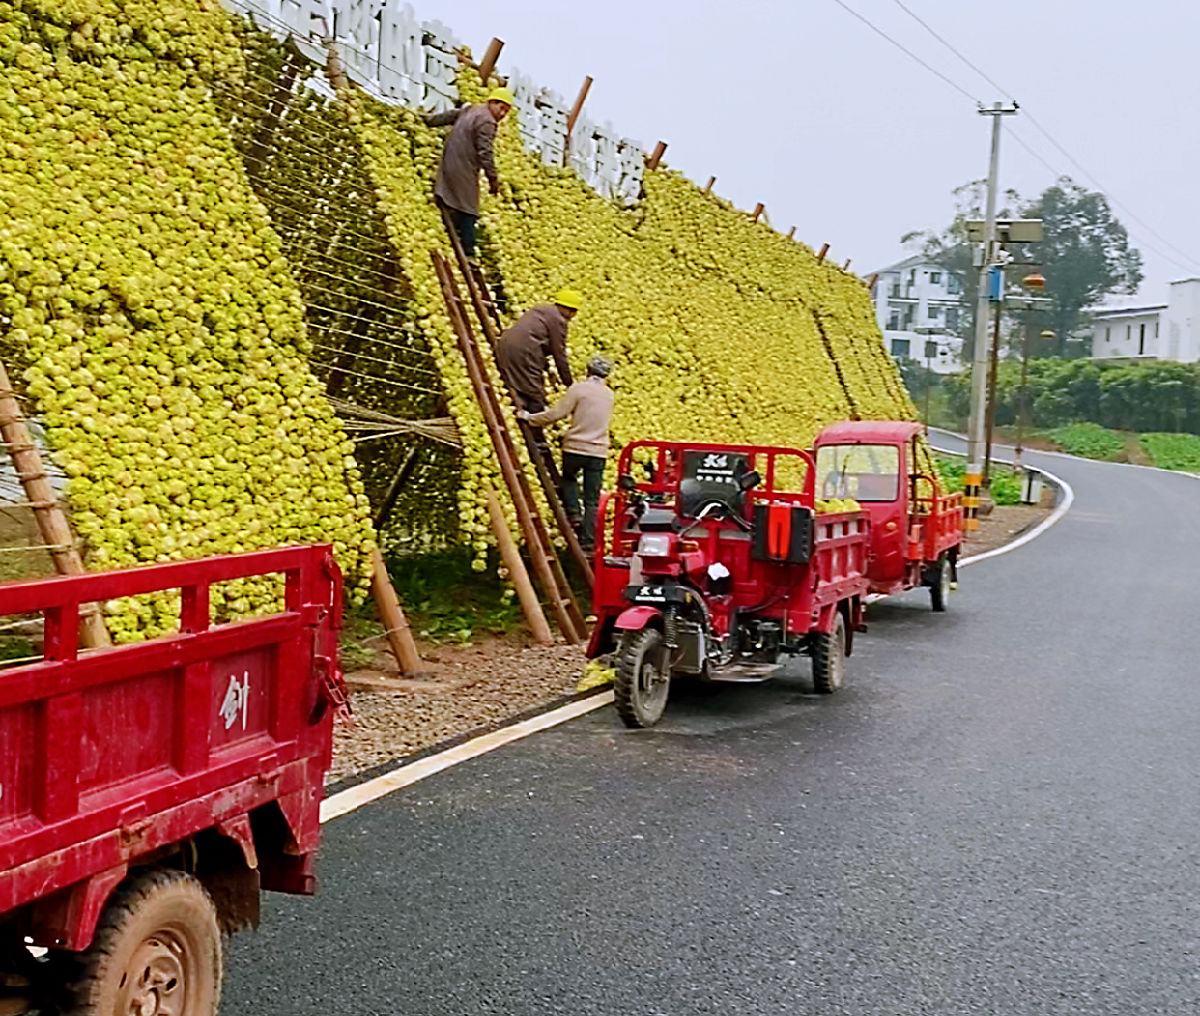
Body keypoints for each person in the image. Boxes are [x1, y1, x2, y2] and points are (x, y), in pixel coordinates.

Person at [518, 355, 615, 550]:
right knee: (592, 500)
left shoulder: (578, 390)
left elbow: (556, 414)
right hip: (599, 451)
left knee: (569, 479)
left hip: (576, 447)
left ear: (588, 371)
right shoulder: (609, 394)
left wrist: (529, 418)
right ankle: (588, 540)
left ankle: (573, 513)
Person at [423, 87, 513, 256]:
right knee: (469, 209)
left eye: (506, 112)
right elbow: (485, 152)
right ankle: (468, 250)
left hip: (449, 160)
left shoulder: (471, 109)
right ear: (492, 102)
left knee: (457, 198)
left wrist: (428, 120)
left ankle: (456, 227)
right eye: (501, 108)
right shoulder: (487, 122)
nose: (502, 114)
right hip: (463, 165)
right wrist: (493, 178)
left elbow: (449, 116)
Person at [495, 289, 581, 414]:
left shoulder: (540, 309)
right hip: (523, 352)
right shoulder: (558, 320)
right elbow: (559, 352)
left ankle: (521, 402)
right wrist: (568, 382)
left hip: (504, 343)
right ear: (570, 310)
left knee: (516, 379)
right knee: (535, 394)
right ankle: (534, 424)